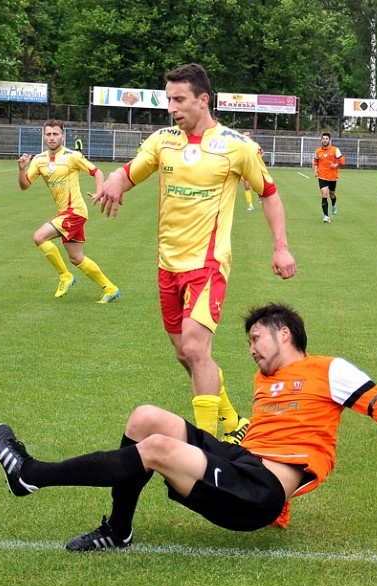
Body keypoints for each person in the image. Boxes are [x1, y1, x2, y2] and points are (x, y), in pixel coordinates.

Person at [0, 302, 377, 551]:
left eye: (256, 338)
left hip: (258, 491)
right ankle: (119, 531)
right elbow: (263, 439)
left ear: (284, 333)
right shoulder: (265, 381)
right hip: (242, 463)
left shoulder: (330, 370)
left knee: (157, 447)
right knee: (145, 418)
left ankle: (32, 474)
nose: (252, 350)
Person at [92, 63, 296, 443]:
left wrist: (280, 247)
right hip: (167, 265)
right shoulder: (163, 140)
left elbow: (269, 193)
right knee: (186, 355)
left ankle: (206, 449)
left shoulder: (237, 147)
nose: (172, 107)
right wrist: (116, 182)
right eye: (169, 99)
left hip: (208, 264)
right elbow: (129, 172)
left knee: (194, 347)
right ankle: (233, 421)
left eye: (180, 99)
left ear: (203, 100)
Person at [18, 120, 120, 303]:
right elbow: (24, 186)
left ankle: (65, 276)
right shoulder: (39, 160)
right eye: (48, 134)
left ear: (62, 136)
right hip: (67, 213)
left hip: (74, 211)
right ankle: (110, 288)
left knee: (39, 237)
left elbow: (97, 172)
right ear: (43, 136)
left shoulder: (73, 156)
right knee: (76, 257)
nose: (51, 138)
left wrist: (100, 191)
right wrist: (21, 170)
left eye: (55, 134)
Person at [313, 133, 345, 222]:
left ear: (329, 140)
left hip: (332, 177)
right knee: (324, 195)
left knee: (332, 194)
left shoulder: (335, 150)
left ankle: (334, 204)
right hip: (322, 176)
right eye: (323, 139)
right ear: (321, 140)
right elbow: (316, 161)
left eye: (326, 139)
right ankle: (326, 216)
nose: (324, 140)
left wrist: (335, 165)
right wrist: (315, 170)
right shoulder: (318, 151)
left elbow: (342, 161)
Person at [241, 131, 255, 212]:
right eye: (244, 135)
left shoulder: (254, 145)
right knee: (247, 186)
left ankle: (251, 204)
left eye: (247, 135)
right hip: (240, 168)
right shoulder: (239, 145)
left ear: (250, 136)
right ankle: (250, 204)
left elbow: (261, 153)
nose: (246, 137)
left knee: (247, 185)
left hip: (250, 167)